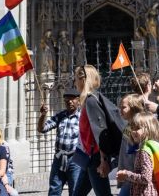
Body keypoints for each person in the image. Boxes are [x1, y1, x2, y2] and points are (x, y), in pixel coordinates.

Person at [73, 65, 114, 196]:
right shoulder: (87, 101)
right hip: (89, 157)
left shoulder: (91, 101)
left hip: (96, 158)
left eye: (76, 79)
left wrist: (104, 161)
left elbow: (100, 131)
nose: (75, 83)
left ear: (83, 80)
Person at [37, 89, 82, 196]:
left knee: (76, 191)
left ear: (78, 101)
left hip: (75, 160)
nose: (69, 102)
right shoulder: (60, 116)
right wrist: (43, 115)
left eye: (72, 99)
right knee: (54, 190)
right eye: (67, 100)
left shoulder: (83, 117)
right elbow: (42, 129)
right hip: (59, 158)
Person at [115, 111, 159, 196]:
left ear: (149, 129)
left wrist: (126, 174)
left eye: (137, 128)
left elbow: (146, 178)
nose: (133, 131)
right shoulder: (153, 147)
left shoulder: (144, 151)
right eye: (132, 128)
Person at [116, 94, 149, 196]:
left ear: (134, 108)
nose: (120, 110)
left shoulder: (139, 128)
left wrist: (129, 175)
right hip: (127, 175)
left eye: (124, 107)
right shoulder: (128, 125)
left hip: (134, 176)